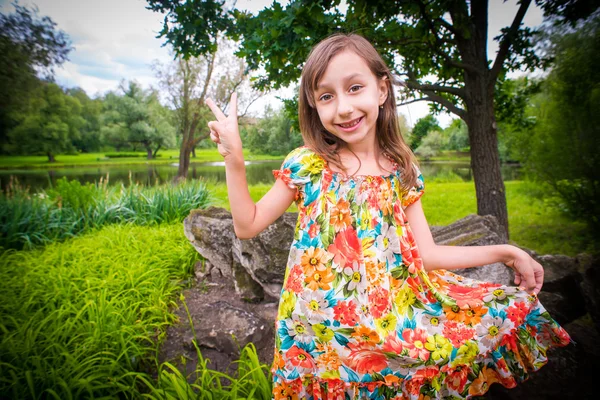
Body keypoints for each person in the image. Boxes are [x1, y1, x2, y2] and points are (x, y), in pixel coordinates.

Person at [205, 33, 572, 400]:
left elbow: (427, 255)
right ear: (313, 106)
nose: (343, 108)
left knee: (494, 313)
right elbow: (247, 225)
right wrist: (234, 160)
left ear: (381, 90)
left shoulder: (401, 172)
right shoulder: (309, 163)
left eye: (354, 88)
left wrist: (505, 251)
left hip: (386, 332)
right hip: (316, 341)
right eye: (326, 96)